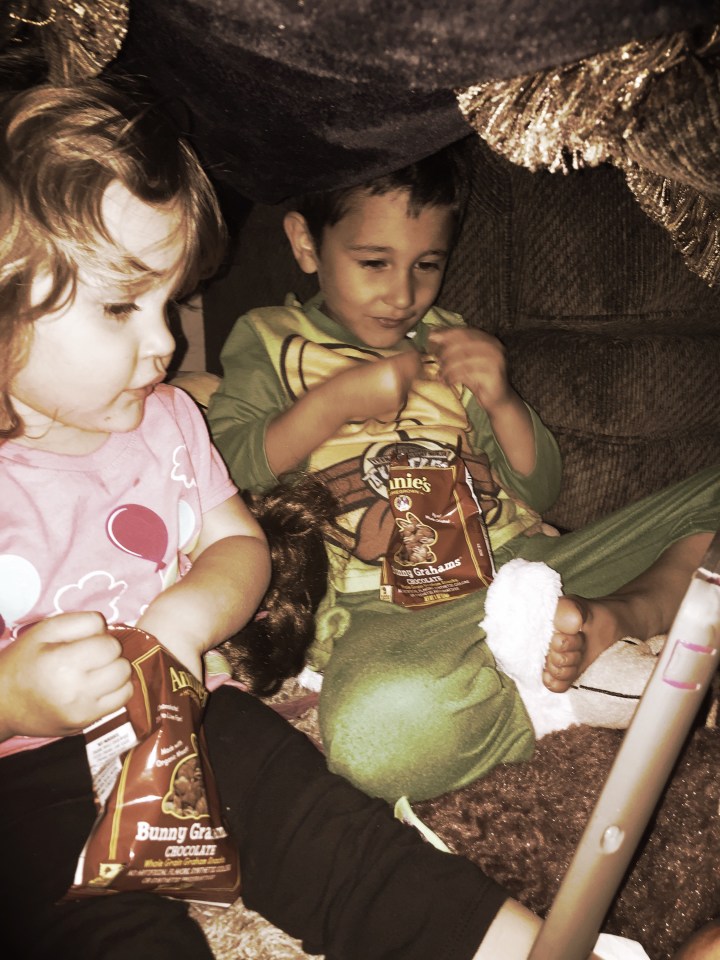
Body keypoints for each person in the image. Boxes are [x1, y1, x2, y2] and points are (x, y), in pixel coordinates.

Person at [0, 77, 568, 960]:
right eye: (120, 307)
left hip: (200, 717)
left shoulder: (167, 420)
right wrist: (13, 696)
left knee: (345, 846)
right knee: (96, 931)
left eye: (167, 301)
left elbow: (237, 543)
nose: (165, 343)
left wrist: (187, 618)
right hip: (27, 774)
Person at [207, 143, 720, 803]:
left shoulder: (450, 339)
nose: (403, 294)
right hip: (388, 606)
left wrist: (500, 398)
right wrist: (331, 404)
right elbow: (227, 465)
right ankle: (563, 695)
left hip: (532, 566)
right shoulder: (269, 337)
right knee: (376, 739)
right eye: (374, 263)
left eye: (427, 264)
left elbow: (538, 488)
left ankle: (625, 614)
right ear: (307, 244)